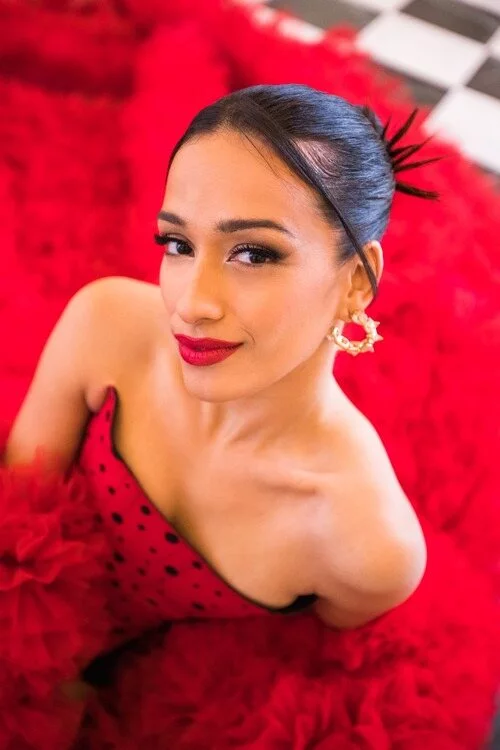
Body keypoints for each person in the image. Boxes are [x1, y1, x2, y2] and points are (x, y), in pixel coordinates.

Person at [4, 85, 433, 707]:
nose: (191, 304)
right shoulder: (106, 327)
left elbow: (285, 669)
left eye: (253, 253)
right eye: (178, 245)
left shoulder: (368, 543)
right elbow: (15, 525)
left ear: (356, 283)